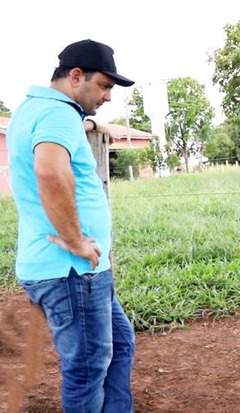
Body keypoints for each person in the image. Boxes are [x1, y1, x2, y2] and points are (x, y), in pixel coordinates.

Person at [7, 39, 136, 412]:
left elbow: (57, 140)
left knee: (121, 343)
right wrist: (76, 240)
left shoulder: (41, 109)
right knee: (87, 366)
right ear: (76, 76)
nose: (108, 96)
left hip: (74, 270)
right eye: (104, 86)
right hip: (71, 270)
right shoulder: (58, 115)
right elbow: (48, 171)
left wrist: (92, 122)